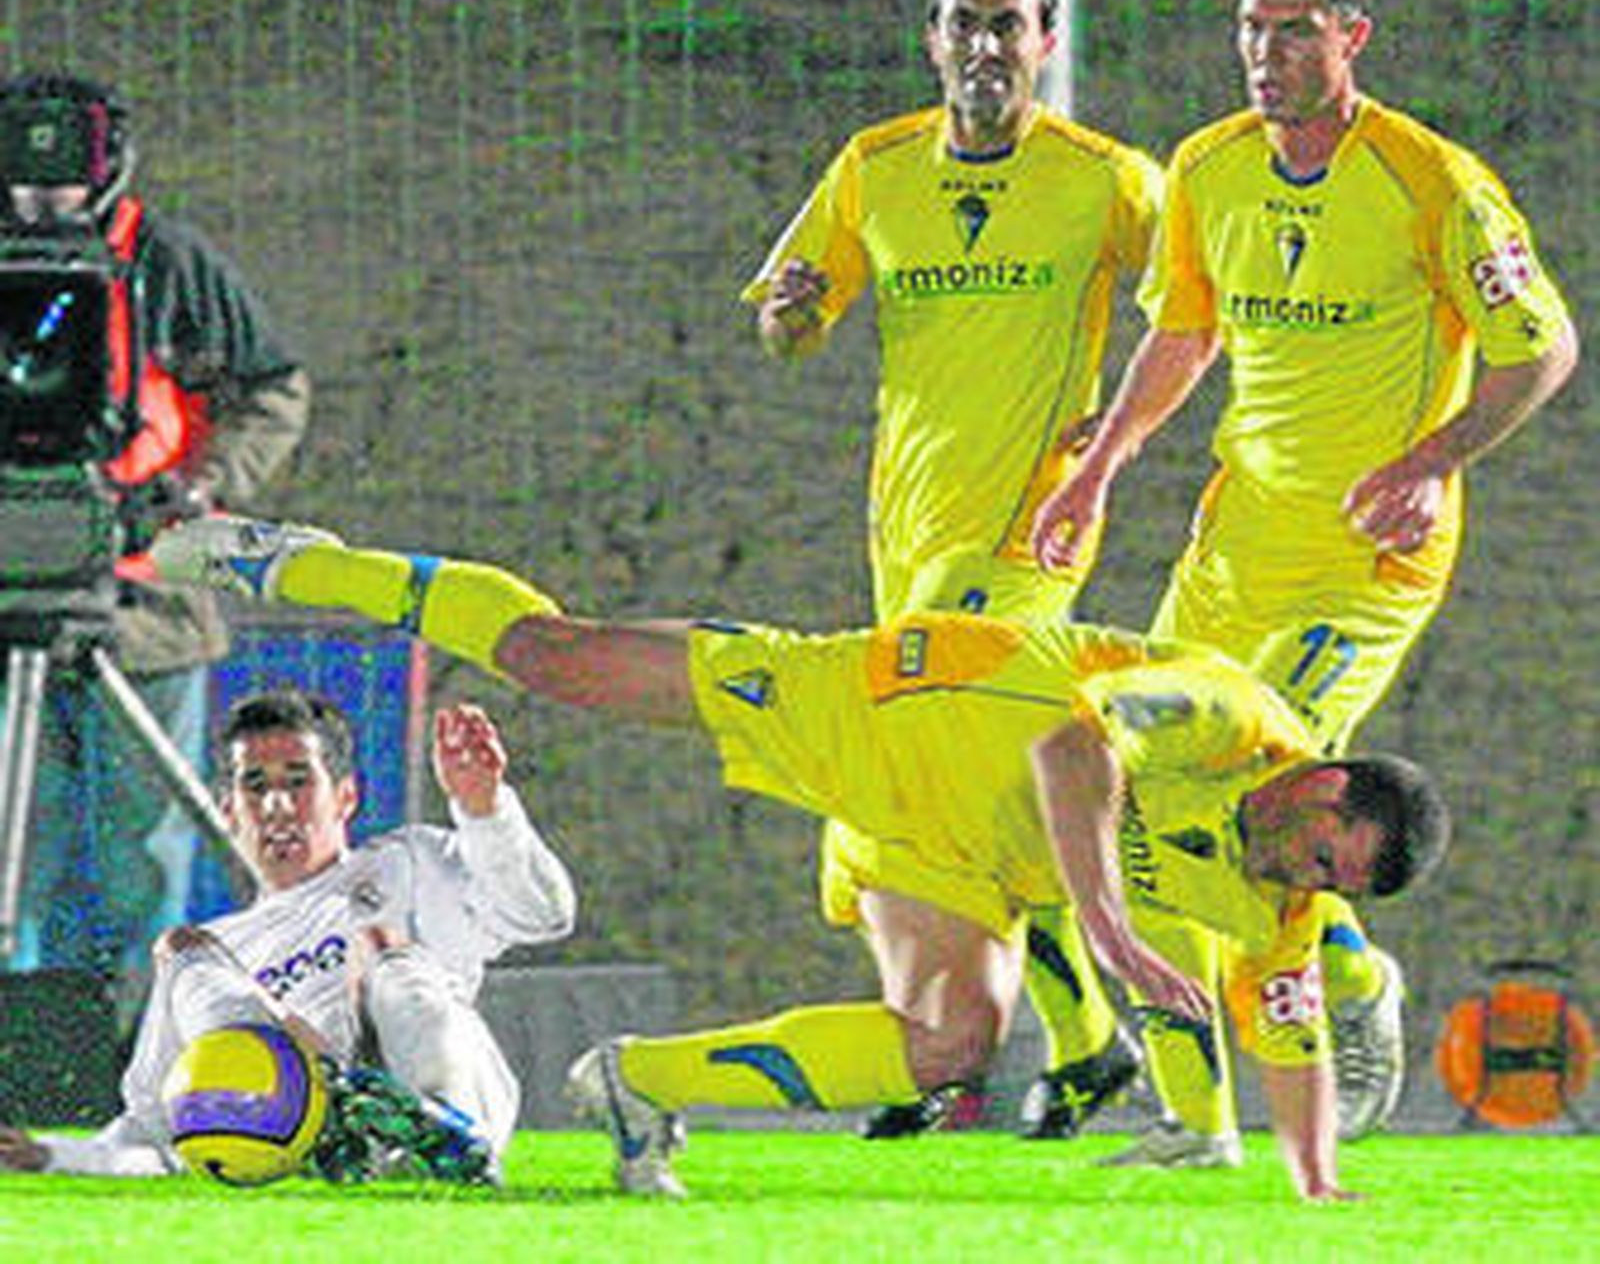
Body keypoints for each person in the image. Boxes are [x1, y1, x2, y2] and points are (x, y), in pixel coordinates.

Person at [143, 515, 1450, 1201]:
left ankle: (636, 1084)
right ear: (1319, 780)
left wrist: (1320, 1184)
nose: (1306, 885)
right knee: (555, 657)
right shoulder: (1228, 711)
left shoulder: (1284, 904)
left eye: (1332, 888)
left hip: (945, 846)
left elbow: (1287, 1053)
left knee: (949, 1042)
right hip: (869, 702)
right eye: (1322, 852)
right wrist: (1107, 930)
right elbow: (1071, 748)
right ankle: (295, 555)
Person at [1029, 0, 1578, 1166]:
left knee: (1264, 795)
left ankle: (1332, 1009)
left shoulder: (1432, 181)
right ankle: (1251, 1072)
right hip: (1232, 546)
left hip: (1363, 569)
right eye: (1249, 28)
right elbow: (1184, 333)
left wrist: (1431, 461)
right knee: (1149, 797)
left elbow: (1541, 348)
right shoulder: (1210, 167)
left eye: (1293, 29)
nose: (1263, 54)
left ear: (1353, 38)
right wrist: (1103, 465)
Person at [743, 0, 1162, 1139]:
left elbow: (1192, 305)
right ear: (933, 42)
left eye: (1007, 25)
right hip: (907, 535)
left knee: (936, 752)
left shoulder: (1104, 178)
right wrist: (793, 309)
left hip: (1028, 534)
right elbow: (791, 327)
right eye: (964, 24)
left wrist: (1119, 434)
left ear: (1047, 42)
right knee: (973, 786)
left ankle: (957, 1048)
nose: (985, 46)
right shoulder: (874, 169)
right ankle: (1080, 1047)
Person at [0, 72, 312, 1008]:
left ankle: (141, 1058)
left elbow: (272, 387)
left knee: (140, 847)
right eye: (25, 179)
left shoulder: (167, 263)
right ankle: (30, 1084)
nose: (44, 200)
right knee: (18, 847)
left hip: (146, 599)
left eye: (63, 179)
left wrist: (200, 491)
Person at [0, 689, 576, 1182]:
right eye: (255, 786)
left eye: (298, 782)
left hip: (428, 1073)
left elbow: (542, 914)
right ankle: (333, 1113)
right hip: (287, 1129)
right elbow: (157, 1126)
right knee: (181, 946)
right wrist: (52, 1155)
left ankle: (437, 1136)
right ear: (229, 811)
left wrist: (485, 813)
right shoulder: (216, 954)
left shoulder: (409, 861)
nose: (277, 806)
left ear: (345, 798)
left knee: (387, 953)